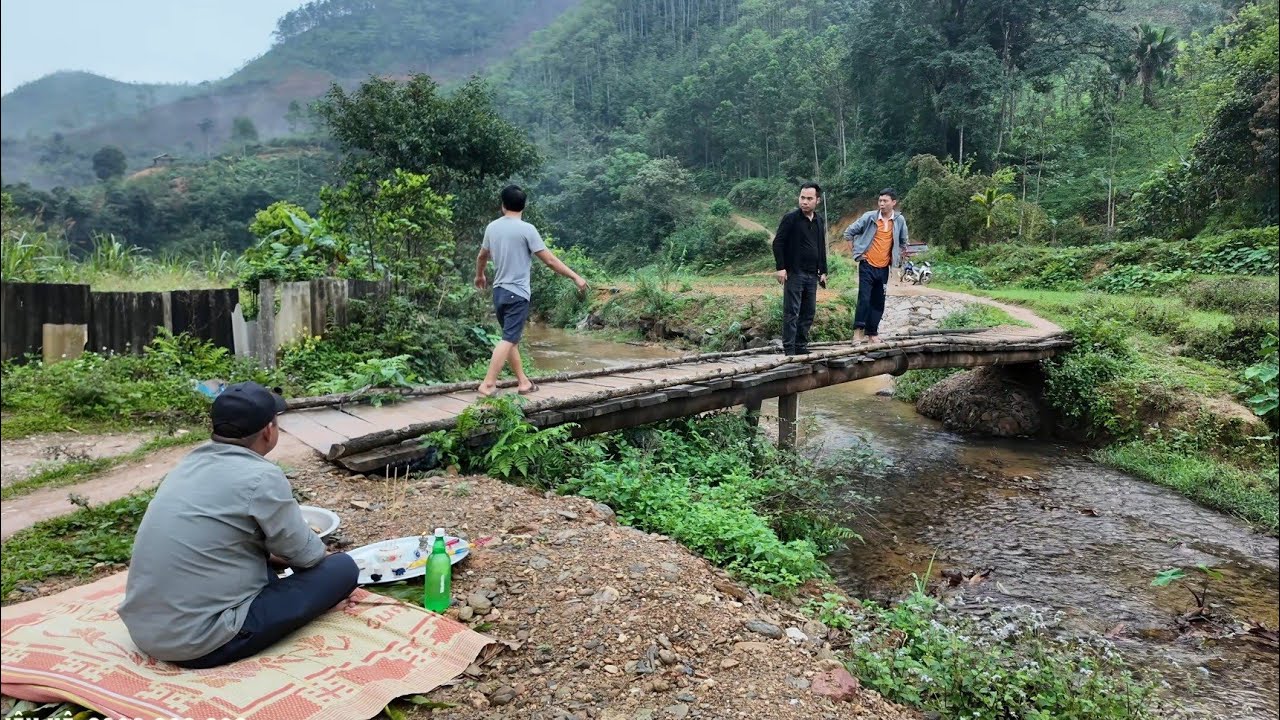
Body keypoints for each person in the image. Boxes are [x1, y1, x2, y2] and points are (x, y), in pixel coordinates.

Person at [117, 382, 359, 669]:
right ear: (268, 430)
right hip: (200, 644)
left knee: (266, 563)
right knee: (342, 568)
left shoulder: (188, 464)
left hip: (145, 630)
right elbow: (308, 556)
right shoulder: (261, 476)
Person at [474, 185, 589, 397]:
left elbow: (482, 256)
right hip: (517, 293)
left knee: (511, 339)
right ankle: (488, 384)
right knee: (509, 339)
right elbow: (550, 261)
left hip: (499, 292)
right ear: (524, 206)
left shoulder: (492, 227)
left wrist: (480, 275)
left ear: (503, 205)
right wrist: (575, 276)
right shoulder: (527, 229)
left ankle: (523, 382)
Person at [842, 187, 909, 343]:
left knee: (878, 301)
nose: (882, 204)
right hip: (867, 265)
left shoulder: (899, 220)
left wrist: (897, 258)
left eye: (885, 201)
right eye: (880, 200)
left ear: (893, 202)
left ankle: (872, 333)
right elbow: (848, 233)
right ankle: (858, 333)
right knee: (864, 299)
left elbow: (903, 242)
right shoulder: (869, 217)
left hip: (884, 267)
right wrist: (857, 254)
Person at [771, 182, 828, 356]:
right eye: (802, 197)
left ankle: (801, 345)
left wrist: (823, 270)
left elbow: (821, 246)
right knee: (792, 311)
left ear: (817, 200)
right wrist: (781, 267)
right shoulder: (791, 218)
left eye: (809, 198)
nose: (804, 201)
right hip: (794, 272)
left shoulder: (819, 220)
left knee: (808, 312)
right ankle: (789, 349)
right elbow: (778, 243)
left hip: (812, 274)